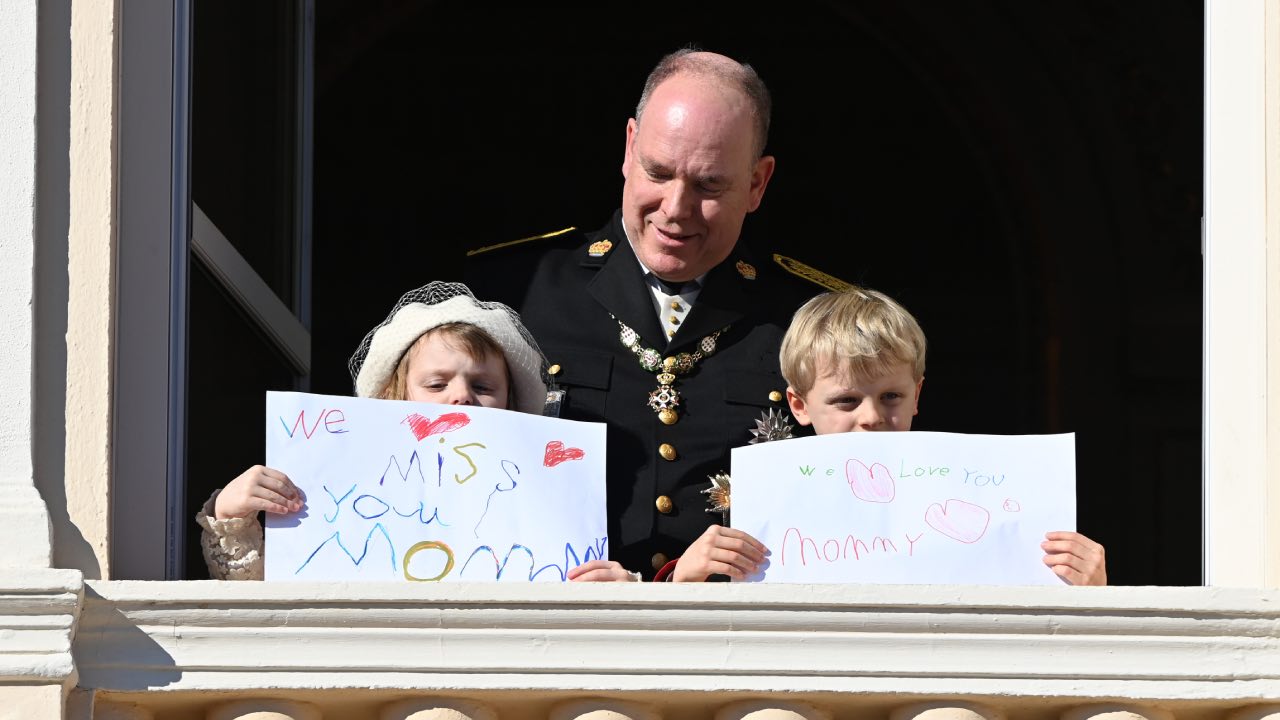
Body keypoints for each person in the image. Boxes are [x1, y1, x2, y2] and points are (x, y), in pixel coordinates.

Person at [467, 49, 842, 579]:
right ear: (628, 149)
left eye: (709, 185)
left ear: (757, 183)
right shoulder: (508, 293)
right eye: (658, 172)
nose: (675, 208)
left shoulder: (814, 318)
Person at [195, 281, 636, 581]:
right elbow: (262, 594)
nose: (460, 397)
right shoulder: (339, 486)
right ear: (394, 397)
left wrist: (617, 590)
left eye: (482, 386)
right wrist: (233, 515)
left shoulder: (548, 504)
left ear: (513, 406)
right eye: (437, 384)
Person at [664, 287, 1107, 585]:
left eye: (891, 395)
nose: (872, 417)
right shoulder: (765, 505)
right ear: (798, 405)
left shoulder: (971, 488)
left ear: (918, 395)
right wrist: (686, 579)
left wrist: (1091, 588)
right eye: (846, 401)